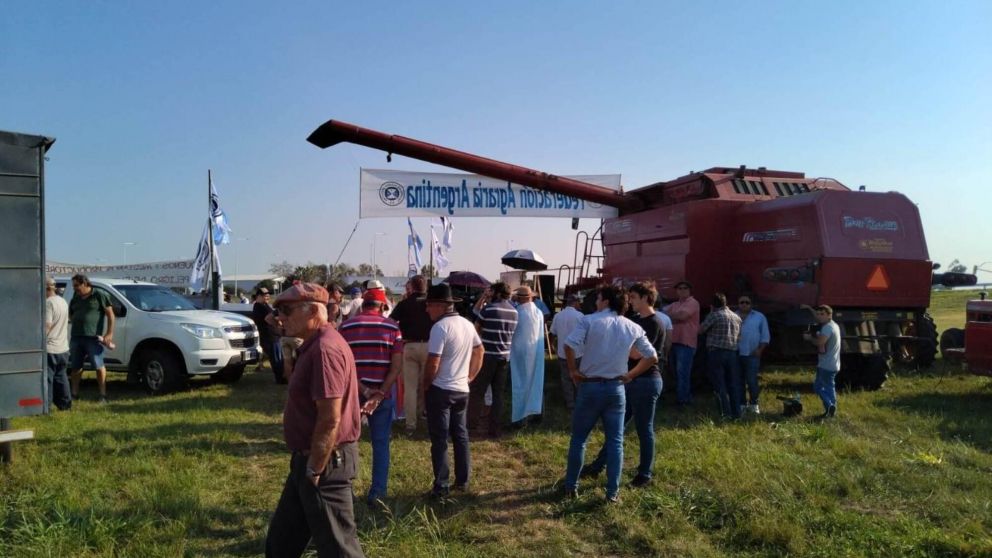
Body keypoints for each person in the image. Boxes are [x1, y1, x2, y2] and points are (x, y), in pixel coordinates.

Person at [264, 283, 364, 558]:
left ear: (312, 312)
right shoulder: (312, 345)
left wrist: (314, 469)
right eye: (278, 310)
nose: (280, 316)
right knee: (281, 544)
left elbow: (329, 418)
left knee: (339, 550)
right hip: (308, 461)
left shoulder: (324, 350)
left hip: (324, 463)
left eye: (286, 310)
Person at [563, 285, 658, 503]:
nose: (596, 302)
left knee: (579, 439)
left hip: (590, 386)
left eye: (597, 298)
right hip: (616, 389)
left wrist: (572, 371)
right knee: (616, 441)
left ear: (605, 301)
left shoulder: (589, 321)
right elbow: (652, 356)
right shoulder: (631, 326)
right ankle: (612, 493)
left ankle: (571, 486)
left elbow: (569, 345)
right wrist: (630, 375)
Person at [581, 282, 666, 487]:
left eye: (634, 298)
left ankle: (644, 474)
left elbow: (638, 354)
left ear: (646, 298)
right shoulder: (637, 320)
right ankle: (598, 465)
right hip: (632, 380)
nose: (630, 302)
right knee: (616, 429)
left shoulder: (654, 322)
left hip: (645, 381)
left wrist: (618, 345)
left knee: (644, 429)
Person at [338, 288, 403, 505]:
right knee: (381, 443)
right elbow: (396, 367)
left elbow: (343, 367)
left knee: (345, 442)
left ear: (363, 304)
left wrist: (363, 390)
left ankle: (342, 490)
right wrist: (379, 393)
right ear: (383, 306)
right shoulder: (393, 328)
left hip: (351, 394)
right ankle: (378, 493)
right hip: (381, 396)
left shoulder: (346, 327)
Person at [423, 284, 484, 498]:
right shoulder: (466, 324)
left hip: (442, 389)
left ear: (440, 306)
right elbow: (479, 349)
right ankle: (463, 481)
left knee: (439, 439)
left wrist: (425, 385)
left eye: (429, 305)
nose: (427, 310)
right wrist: (470, 376)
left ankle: (441, 485)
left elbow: (433, 362)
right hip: (461, 389)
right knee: (460, 435)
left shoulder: (440, 328)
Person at [468, 282, 517, 437]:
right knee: (498, 394)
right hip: (504, 358)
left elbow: (475, 330)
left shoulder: (488, 309)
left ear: (497, 293)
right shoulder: (515, 312)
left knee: (477, 391)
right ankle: (494, 429)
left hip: (487, 356)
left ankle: (471, 425)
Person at [389, 274, 433, 434]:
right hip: (430, 346)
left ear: (411, 287)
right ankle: (423, 414)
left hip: (409, 346)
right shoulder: (431, 303)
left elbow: (391, 322)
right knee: (426, 384)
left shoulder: (404, 303)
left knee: (410, 386)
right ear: (425, 286)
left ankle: (410, 424)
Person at [68, 274, 115, 403]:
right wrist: (76, 320)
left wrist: (109, 333)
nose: (75, 288)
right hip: (76, 337)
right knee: (75, 367)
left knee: (98, 365)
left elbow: (110, 315)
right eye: (73, 286)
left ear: (85, 283)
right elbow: (71, 312)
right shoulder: (76, 297)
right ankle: (74, 394)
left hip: (93, 338)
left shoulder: (99, 294)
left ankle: (103, 395)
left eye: (77, 286)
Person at [699, 293, 743, 419]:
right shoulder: (737, 317)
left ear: (712, 305)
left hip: (716, 352)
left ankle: (725, 412)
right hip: (732, 352)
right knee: (733, 383)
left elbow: (701, 330)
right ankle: (737, 413)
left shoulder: (714, 315)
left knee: (719, 383)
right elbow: (740, 335)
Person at [509, 286, 545, 426]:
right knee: (536, 382)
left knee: (520, 384)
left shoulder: (517, 313)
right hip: (535, 352)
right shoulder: (539, 312)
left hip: (520, 354)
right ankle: (536, 413)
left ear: (519, 298)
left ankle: (520, 418)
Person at [663, 280, 700, 406]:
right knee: (675, 371)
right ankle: (681, 396)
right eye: (679, 288)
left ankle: (683, 399)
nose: (682, 290)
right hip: (674, 341)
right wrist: (674, 316)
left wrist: (670, 317)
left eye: (685, 288)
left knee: (683, 372)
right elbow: (663, 314)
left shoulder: (693, 303)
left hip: (686, 342)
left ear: (689, 291)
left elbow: (682, 316)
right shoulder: (675, 304)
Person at [804, 305, 841, 418]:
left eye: (822, 314)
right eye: (818, 314)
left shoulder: (827, 328)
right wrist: (809, 308)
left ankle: (830, 406)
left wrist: (809, 338)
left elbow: (820, 342)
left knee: (818, 387)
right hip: (832, 363)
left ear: (829, 315)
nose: (819, 317)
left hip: (826, 364)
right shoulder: (833, 325)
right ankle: (830, 411)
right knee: (829, 387)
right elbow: (817, 317)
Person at [736, 295, 770, 414]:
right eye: (741, 302)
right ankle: (741, 404)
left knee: (751, 380)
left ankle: (754, 404)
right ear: (738, 304)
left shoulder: (760, 317)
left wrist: (760, 350)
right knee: (738, 381)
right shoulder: (733, 316)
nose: (744, 304)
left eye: (747, 302)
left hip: (752, 354)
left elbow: (765, 336)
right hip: (736, 354)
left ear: (751, 304)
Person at [550, 294, 584, 410]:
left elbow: (552, 333)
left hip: (563, 353)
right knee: (579, 377)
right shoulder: (580, 316)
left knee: (566, 379)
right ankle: (580, 400)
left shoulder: (558, 316)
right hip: (578, 353)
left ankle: (570, 403)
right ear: (575, 303)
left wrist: (551, 346)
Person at [45, 277, 72, 410]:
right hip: (63, 347)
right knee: (62, 377)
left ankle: (46, 406)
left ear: (46, 288)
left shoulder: (48, 303)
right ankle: (65, 404)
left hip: (50, 347)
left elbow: (47, 325)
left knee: (48, 379)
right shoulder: (63, 301)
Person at [253, 287, 284, 384]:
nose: (267, 297)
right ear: (258, 296)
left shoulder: (265, 305)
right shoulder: (259, 307)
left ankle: (281, 376)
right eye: (264, 295)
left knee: (279, 357)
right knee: (276, 358)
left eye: (268, 295)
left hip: (275, 335)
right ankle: (280, 379)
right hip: (269, 337)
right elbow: (272, 317)